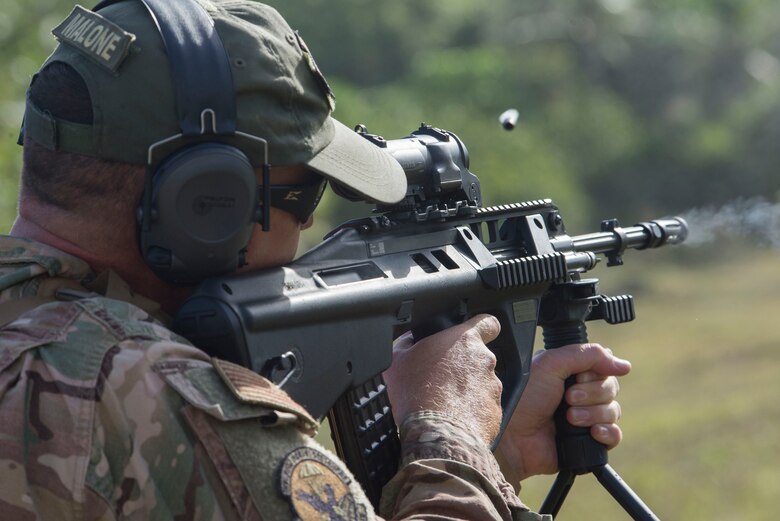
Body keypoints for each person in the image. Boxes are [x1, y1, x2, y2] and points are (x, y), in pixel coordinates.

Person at [0, 1, 629, 519]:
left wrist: (501, 460)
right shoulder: (159, 398)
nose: (306, 233)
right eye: (305, 198)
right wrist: (450, 435)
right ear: (205, 206)